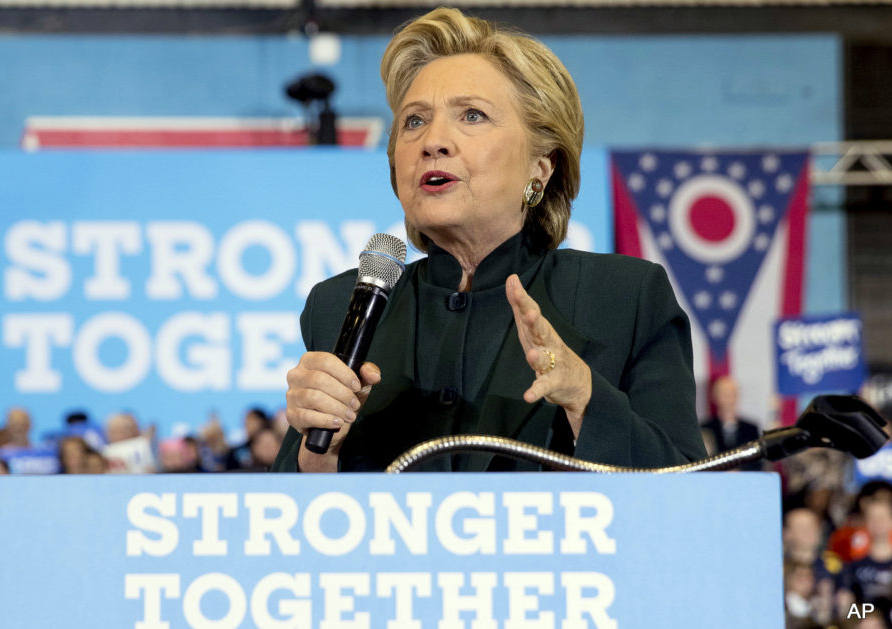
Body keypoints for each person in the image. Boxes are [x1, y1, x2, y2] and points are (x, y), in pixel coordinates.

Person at [274, 7, 704, 472]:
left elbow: (690, 497)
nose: (432, 141)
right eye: (414, 121)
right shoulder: (339, 306)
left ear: (541, 169)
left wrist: (585, 399)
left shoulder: (625, 298)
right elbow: (284, 521)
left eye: (472, 115)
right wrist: (319, 451)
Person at [701, 375, 762, 470]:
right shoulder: (705, 429)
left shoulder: (750, 429)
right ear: (714, 396)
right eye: (724, 394)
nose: (728, 398)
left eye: (732, 393)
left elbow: (757, 461)